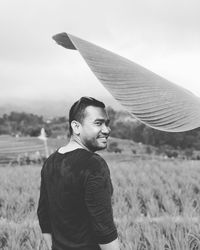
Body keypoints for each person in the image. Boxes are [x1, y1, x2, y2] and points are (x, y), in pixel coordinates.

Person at [37, 96, 120, 250]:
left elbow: (43, 215)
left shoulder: (50, 162)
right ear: (76, 127)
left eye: (107, 124)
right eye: (98, 123)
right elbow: (104, 228)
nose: (106, 130)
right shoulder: (93, 164)